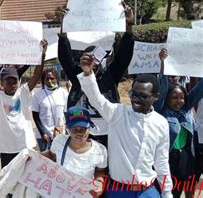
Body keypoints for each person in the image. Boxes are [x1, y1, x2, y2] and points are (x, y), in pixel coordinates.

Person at [78, 52, 173, 197]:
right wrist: (88, 73)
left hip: (148, 192)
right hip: (119, 191)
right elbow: (96, 99)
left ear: (155, 97)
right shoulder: (118, 113)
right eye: (133, 94)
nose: (136, 99)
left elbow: (161, 162)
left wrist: (167, 193)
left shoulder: (161, 123)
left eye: (143, 96)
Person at [58, 4, 135, 147]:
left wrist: (129, 28)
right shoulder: (77, 76)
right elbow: (65, 57)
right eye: (88, 59)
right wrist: (63, 32)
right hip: (83, 133)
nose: (92, 63)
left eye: (95, 59)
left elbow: (124, 57)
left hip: (108, 133)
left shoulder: (110, 75)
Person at [0, 40, 47, 168]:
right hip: (7, 148)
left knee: (26, 179)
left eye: (14, 82)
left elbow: (36, 75)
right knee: (9, 181)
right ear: (2, 83)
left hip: (24, 144)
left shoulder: (23, 92)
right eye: (8, 82)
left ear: (18, 82)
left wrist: (42, 55)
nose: (12, 85)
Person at [153, 49, 203, 198]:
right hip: (168, 159)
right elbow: (162, 88)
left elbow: (200, 89)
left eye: (181, 97)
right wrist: (163, 63)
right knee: (169, 193)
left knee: (184, 190)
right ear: (166, 99)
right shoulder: (161, 110)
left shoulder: (186, 109)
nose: (179, 101)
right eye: (174, 97)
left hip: (186, 158)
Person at [41, 106, 106, 197]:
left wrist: (99, 184)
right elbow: (51, 155)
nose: (79, 133)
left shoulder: (100, 150)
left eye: (83, 128)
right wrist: (33, 156)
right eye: (75, 129)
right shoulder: (59, 141)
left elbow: (100, 171)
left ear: (89, 127)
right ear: (67, 128)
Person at [30, 68, 68, 151]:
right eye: (47, 79)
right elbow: (35, 116)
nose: (50, 81)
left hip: (60, 134)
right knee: (46, 161)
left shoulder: (63, 93)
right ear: (43, 80)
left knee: (59, 161)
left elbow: (66, 113)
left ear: (57, 79)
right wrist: (43, 133)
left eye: (52, 78)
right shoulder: (38, 95)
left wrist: (67, 131)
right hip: (44, 136)